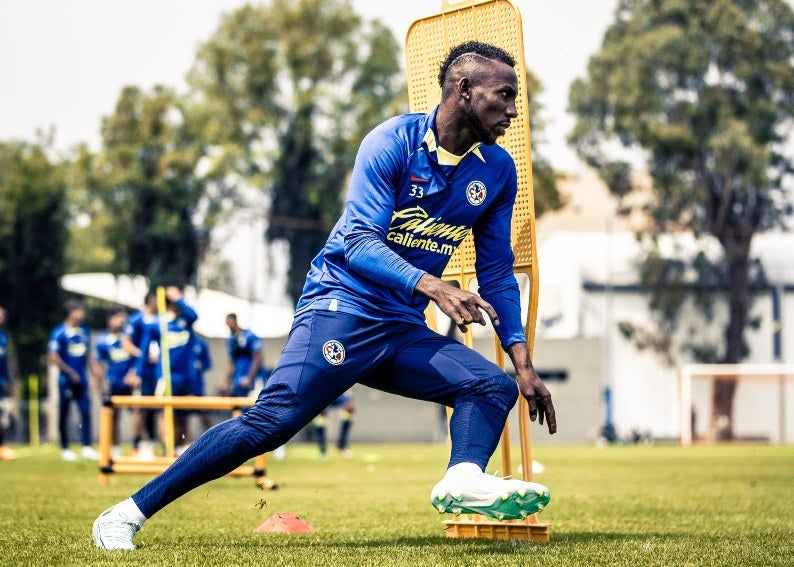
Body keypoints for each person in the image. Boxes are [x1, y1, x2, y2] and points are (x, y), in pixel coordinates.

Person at [93, 41, 557, 551]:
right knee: (271, 423)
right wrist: (432, 285)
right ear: (464, 90)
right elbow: (358, 243)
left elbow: (497, 272)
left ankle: (461, 478)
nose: (514, 109)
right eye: (505, 95)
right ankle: (125, 514)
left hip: (400, 329)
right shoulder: (392, 142)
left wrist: (523, 362)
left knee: (492, 387)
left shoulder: (496, 170)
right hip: (341, 308)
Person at [137, 286, 199, 454]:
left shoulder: (185, 320)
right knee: (164, 412)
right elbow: (144, 350)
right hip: (165, 376)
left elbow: (194, 315)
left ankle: (180, 447)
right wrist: (138, 373)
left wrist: (179, 298)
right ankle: (166, 447)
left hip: (185, 376)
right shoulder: (158, 323)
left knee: (182, 414)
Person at [48, 300, 100, 461]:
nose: (82, 314)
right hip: (66, 381)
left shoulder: (84, 331)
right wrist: (70, 373)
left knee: (85, 412)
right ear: (70, 312)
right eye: (79, 310)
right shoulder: (59, 332)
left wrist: (96, 377)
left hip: (82, 380)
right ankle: (65, 448)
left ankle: (86, 446)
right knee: (64, 413)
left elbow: (89, 357)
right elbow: (53, 356)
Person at [95, 307, 137, 458]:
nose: (121, 321)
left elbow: (138, 358)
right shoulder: (102, 341)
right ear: (109, 319)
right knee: (113, 416)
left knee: (138, 413)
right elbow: (98, 362)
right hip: (114, 383)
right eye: (118, 317)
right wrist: (101, 382)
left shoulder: (128, 338)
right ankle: (115, 448)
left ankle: (139, 447)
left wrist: (133, 374)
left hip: (132, 383)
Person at [123, 293, 159, 457]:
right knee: (139, 408)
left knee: (156, 408)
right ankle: (138, 443)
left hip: (157, 372)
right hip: (140, 371)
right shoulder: (137, 319)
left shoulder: (162, 319)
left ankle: (153, 443)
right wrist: (142, 355)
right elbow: (126, 342)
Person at [220, 314, 267, 398]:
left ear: (234, 320)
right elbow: (231, 363)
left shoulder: (250, 336)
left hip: (253, 381)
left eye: (229, 323)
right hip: (238, 382)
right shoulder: (231, 340)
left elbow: (258, 358)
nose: (229, 327)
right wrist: (225, 382)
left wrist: (249, 378)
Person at [312, 392, 355, 460]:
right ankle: (323, 450)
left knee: (349, 410)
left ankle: (341, 445)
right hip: (325, 390)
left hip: (340, 389)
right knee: (321, 416)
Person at [0, 306, 16, 461]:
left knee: (2, 416)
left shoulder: (4, 336)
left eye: (3, 315)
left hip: (1, 382)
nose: (2, 317)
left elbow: (9, 360)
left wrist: (10, 380)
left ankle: (2, 446)